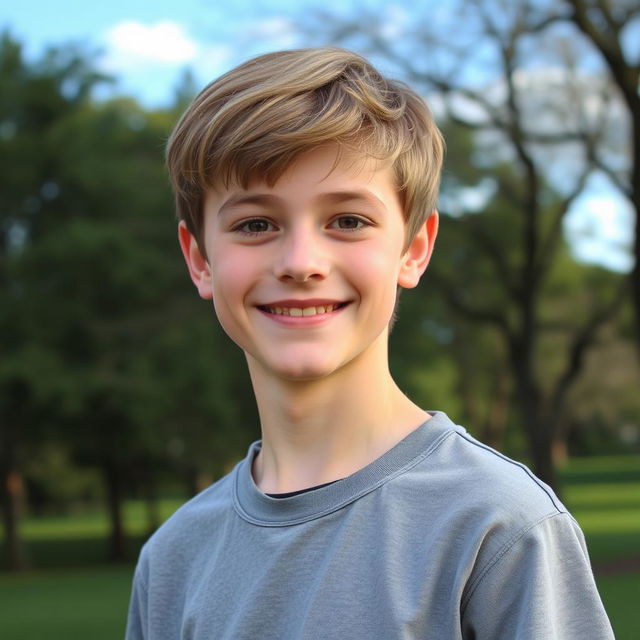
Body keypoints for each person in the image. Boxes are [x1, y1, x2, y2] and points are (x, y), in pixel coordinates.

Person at [125, 47, 613, 639]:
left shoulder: (501, 527)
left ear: (414, 248)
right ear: (200, 259)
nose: (302, 262)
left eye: (348, 221)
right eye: (256, 224)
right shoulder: (173, 558)